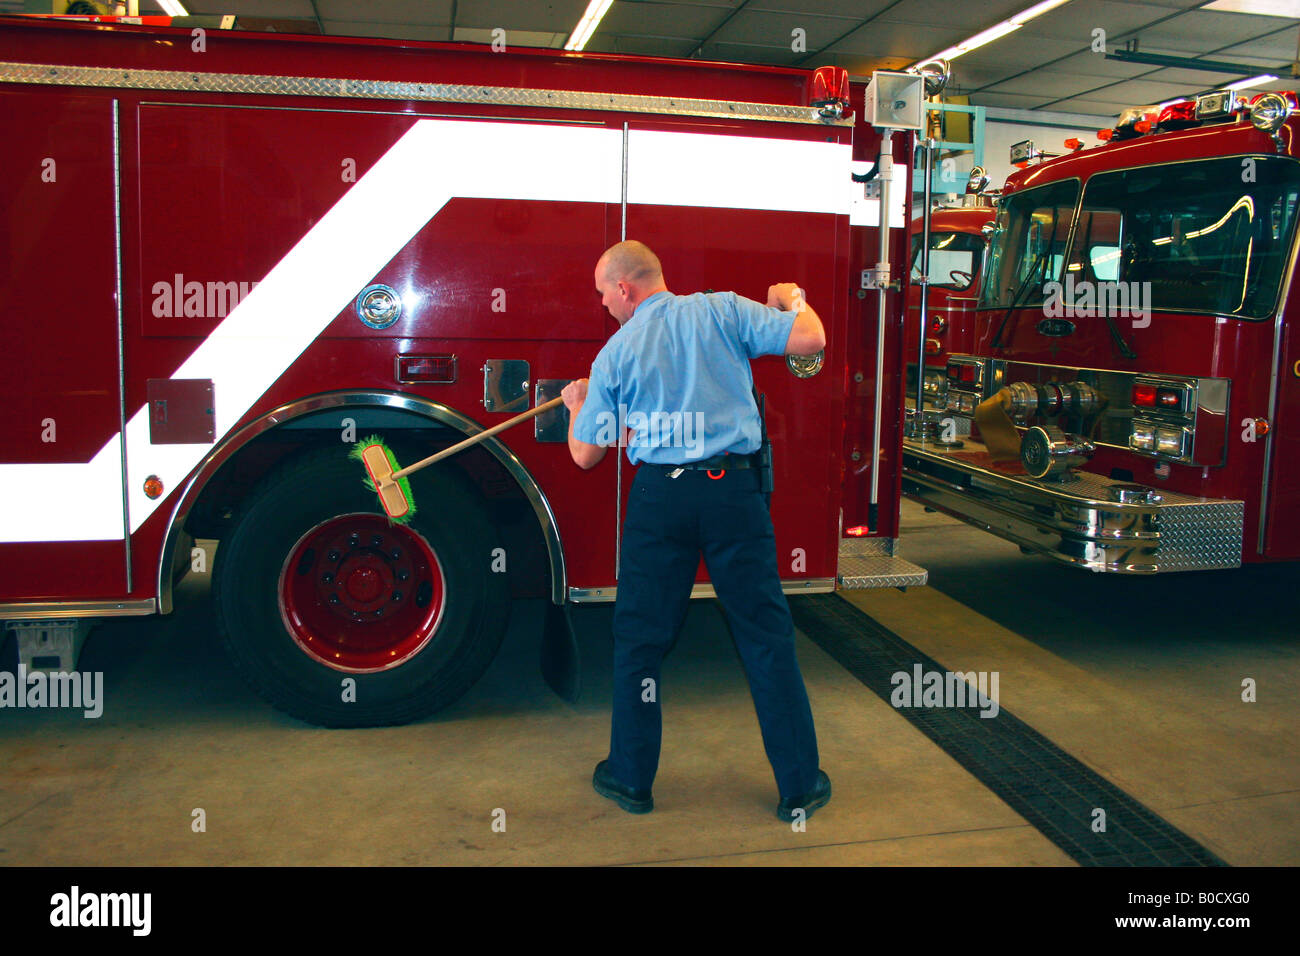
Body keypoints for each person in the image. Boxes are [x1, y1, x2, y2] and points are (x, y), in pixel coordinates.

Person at [560, 239, 831, 823]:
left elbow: (584, 454)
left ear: (626, 288)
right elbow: (809, 337)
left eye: (604, 293)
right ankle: (799, 787)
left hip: (662, 501)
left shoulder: (615, 352)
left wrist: (578, 403)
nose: (604, 304)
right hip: (733, 493)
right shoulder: (723, 310)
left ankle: (631, 780)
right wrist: (793, 297)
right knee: (764, 636)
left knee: (640, 641)